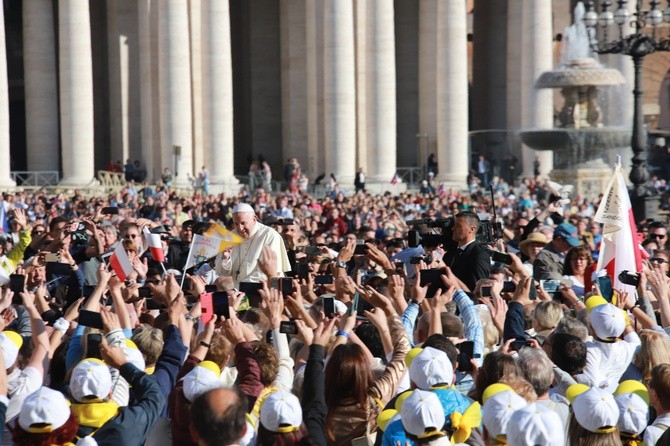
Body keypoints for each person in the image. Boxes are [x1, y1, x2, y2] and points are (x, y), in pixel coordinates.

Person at [214, 203, 291, 287]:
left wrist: (239, 287)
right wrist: (225, 259)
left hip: (262, 289)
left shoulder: (270, 235)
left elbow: (266, 272)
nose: (240, 228)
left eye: (243, 223)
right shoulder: (231, 236)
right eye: (236, 224)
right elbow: (221, 273)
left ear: (254, 218)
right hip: (236, 291)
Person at [442, 211, 491, 291]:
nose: (453, 228)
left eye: (458, 226)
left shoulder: (479, 256)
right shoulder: (449, 255)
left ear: (471, 230)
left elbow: (478, 291)